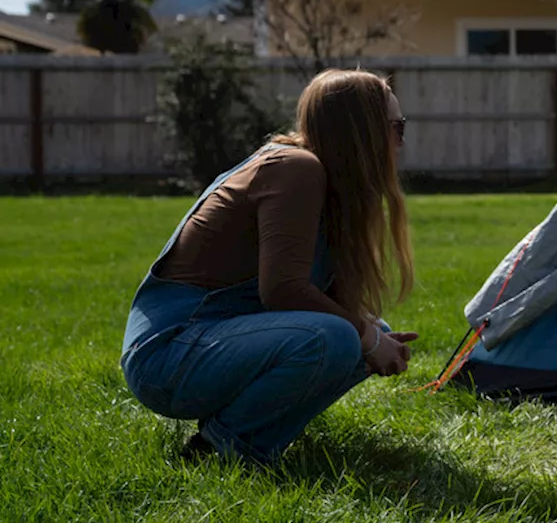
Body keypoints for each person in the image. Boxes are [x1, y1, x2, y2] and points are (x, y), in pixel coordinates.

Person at [119, 69, 419, 466]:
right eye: (396, 127)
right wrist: (363, 335)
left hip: (203, 343)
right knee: (340, 337)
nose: (400, 141)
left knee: (367, 332)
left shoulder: (321, 180)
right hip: (166, 353)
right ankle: (220, 449)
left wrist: (371, 334)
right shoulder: (295, 168)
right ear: (361, 131)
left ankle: (247, 440)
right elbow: (282, 290)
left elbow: (313, 294)